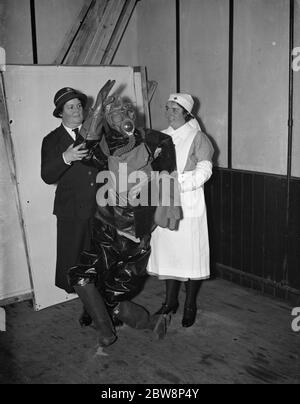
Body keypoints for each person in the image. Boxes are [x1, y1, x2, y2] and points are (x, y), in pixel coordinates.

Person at [68, 85, 182, 348]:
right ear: (107, 121)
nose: (122, 118)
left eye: (124, 112)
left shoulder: (155, 140)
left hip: (135, 231)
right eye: (114, 115)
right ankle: (108, 330)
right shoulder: (104, 146)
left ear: (133, 113)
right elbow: (82, 150)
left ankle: (147, 323)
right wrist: (95, 111)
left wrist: (168, 211)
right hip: (106, 224)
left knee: (116, 290)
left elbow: (169, 177)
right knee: (81, 276)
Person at [148, 93, 214, 328]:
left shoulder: (198, 137)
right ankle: (170, 302)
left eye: (175, 109)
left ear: (186, 112)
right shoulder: (159, 138)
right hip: (164, 204)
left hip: (188, 206)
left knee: (190, 258)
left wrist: (180, 183)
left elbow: (205, 171)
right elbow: (150, 168)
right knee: (169, 256)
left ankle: (189, 304)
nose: (169, 112)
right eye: (167, 108)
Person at [41, 87, 99, 293]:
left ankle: (99, 308)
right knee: (74, 264)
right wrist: (65, 158)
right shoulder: (51, 140)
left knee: (100, 263)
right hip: (72, 212)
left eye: (79, 106)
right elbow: (47, 176)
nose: (77, 110)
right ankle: (88, 305)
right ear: (60, 113)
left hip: (100, 210)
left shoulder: (96, 133)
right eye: (70, 106)